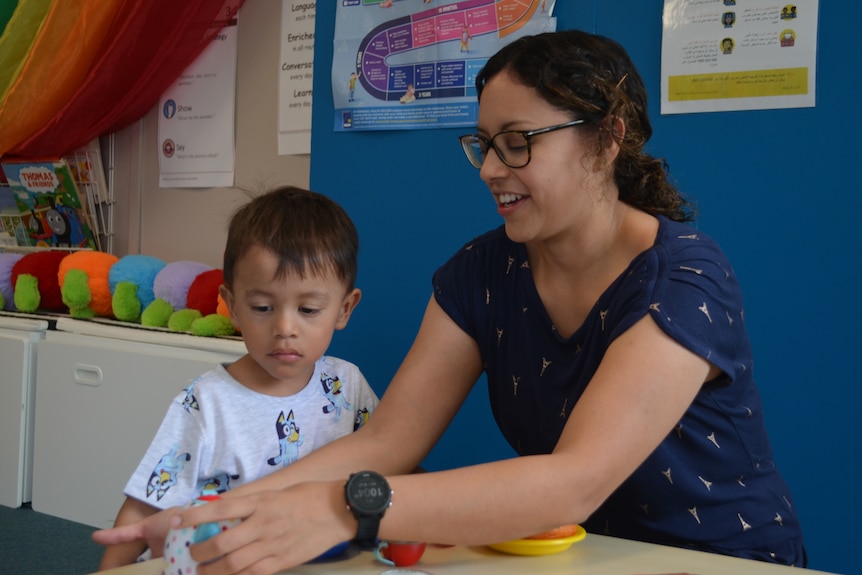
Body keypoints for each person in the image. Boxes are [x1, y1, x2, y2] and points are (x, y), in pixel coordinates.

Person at [93, 30, 806, 573]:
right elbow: (387, 440)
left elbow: (573, 481)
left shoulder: (684, 276)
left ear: (608, 139)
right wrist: (222, 509)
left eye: (519, 142)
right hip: (577, 556)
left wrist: (346, 508)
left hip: (718, 557)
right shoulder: (482, 272)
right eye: (484, 144)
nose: (492, 169)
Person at [97, 186, 378, 570]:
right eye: (262, 307)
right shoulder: (207, 401)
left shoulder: (349, 385)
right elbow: (148, 500)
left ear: (344, 309)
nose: (284, 327)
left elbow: (385, 465)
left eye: (309, 309)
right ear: (232, 306)